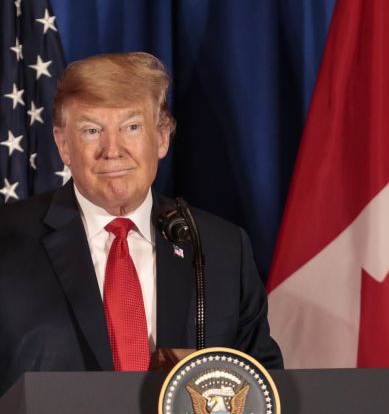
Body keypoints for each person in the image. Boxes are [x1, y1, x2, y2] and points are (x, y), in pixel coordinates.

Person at [0, 52, 283, 395]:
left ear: (162, 136)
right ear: (63, 145)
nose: (112, 150)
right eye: (91, 131)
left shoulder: (221, 247)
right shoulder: (8, 240)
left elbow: (261, 384)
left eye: (131, 127)